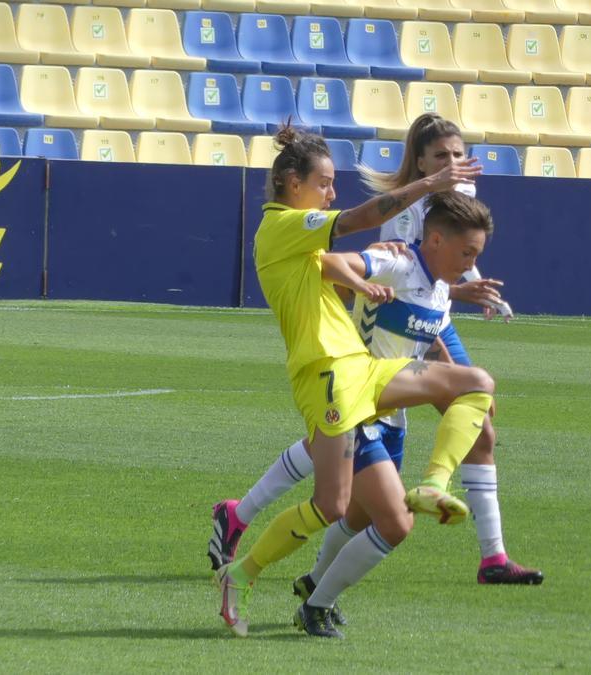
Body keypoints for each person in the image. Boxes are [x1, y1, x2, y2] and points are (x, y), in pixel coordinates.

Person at [209, 113, 540, 586]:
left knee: (475, 398)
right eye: (323, 183)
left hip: (379, 350)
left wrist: (450, 286)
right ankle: (249, 553)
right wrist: (368, 277)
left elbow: (341, 265)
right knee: (341, 501)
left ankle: (473, 536)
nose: (331, 192)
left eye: (457, 155)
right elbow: (361, 239)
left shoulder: (447, 202)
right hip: (349, 356)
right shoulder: (289, 223)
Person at [293, 191, 513, 637]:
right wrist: (362, 281)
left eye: (477, 254)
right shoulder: (396, 263)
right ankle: (315, 606)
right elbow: (329, 262)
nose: (471, 263)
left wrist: (455, 384)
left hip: (390, 416)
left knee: (359, 516)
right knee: (395, 523)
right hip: (355, 409)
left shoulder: (437, 289)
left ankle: (313, 581)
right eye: (466, 252)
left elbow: (427, 343)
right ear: (434, 239)